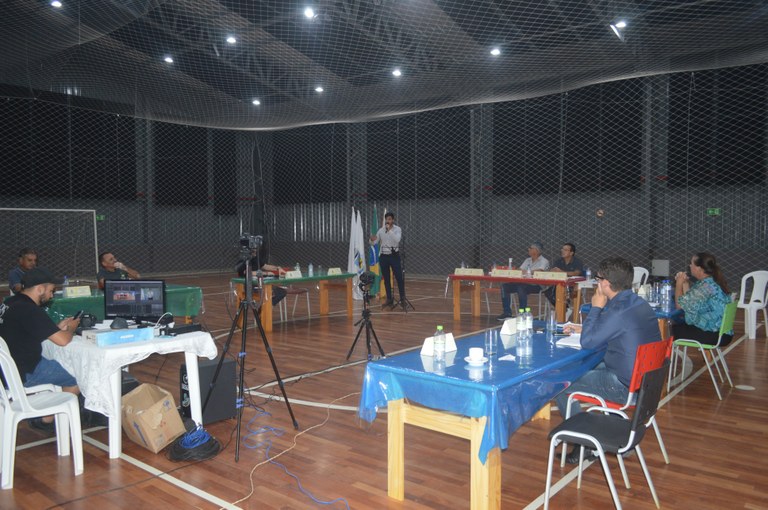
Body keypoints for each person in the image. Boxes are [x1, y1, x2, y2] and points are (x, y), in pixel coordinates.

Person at [553, 257, 660, 463]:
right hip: (646, 384)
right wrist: (584, 328)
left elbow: (588, 343)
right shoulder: (636, 303)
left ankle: (584, 444)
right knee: (582, 369)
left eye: (598, 278)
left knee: (561, 382)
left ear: (606, 284)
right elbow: (612, 329)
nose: (597, 282)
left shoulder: (617, 310)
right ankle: (611, 428)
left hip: (625, 387)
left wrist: (596, 307)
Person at [0, 268, 81, 432]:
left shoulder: (10, 303)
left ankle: (47, 413)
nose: (51, 295)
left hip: (6, 371)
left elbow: (26, 331)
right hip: (25, 371)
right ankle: (46, 420)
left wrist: (57, 328)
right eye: (51, 290)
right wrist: (70, 329)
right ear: (40, 288)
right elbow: (64, 341)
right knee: (81, 375)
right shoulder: (30, 309)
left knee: (61, 364)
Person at [672, 252, 732, 346]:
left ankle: (663, 355)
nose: (690, 266)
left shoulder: (705, 287)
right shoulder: (711, 282)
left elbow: (679, 306)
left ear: (699, 268)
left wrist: (678, 283)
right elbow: (690, 301)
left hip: (713, 334)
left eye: (692, 263)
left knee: (668, 330)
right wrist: (685, 283)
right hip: (722, 332)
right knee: (676, 326)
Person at [496, 242, 550, 320]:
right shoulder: (527, 260)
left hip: (537, 285)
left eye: (531, 248)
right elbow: (520, 270)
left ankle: (523, 313)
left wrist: (527, 271)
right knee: (505, 286)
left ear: (537, 250)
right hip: (523, 283)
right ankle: (507, 313)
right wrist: (522, 271)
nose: (528, 249)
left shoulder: (544, 261)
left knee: (521, 287)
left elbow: (540, 271)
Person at [370, 212, 406, 308]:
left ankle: (402, 299)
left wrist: (389, 230)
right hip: (384, 257)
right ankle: (389, 299)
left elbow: (397, 240)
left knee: (399, 278)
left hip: (394, 256)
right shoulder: (381, 230)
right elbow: (375, 242)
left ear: (393, 220)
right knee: (386, 279)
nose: (388, 221)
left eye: (389, 219)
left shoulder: (397, 229)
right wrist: (371, 240)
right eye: (387, 219)